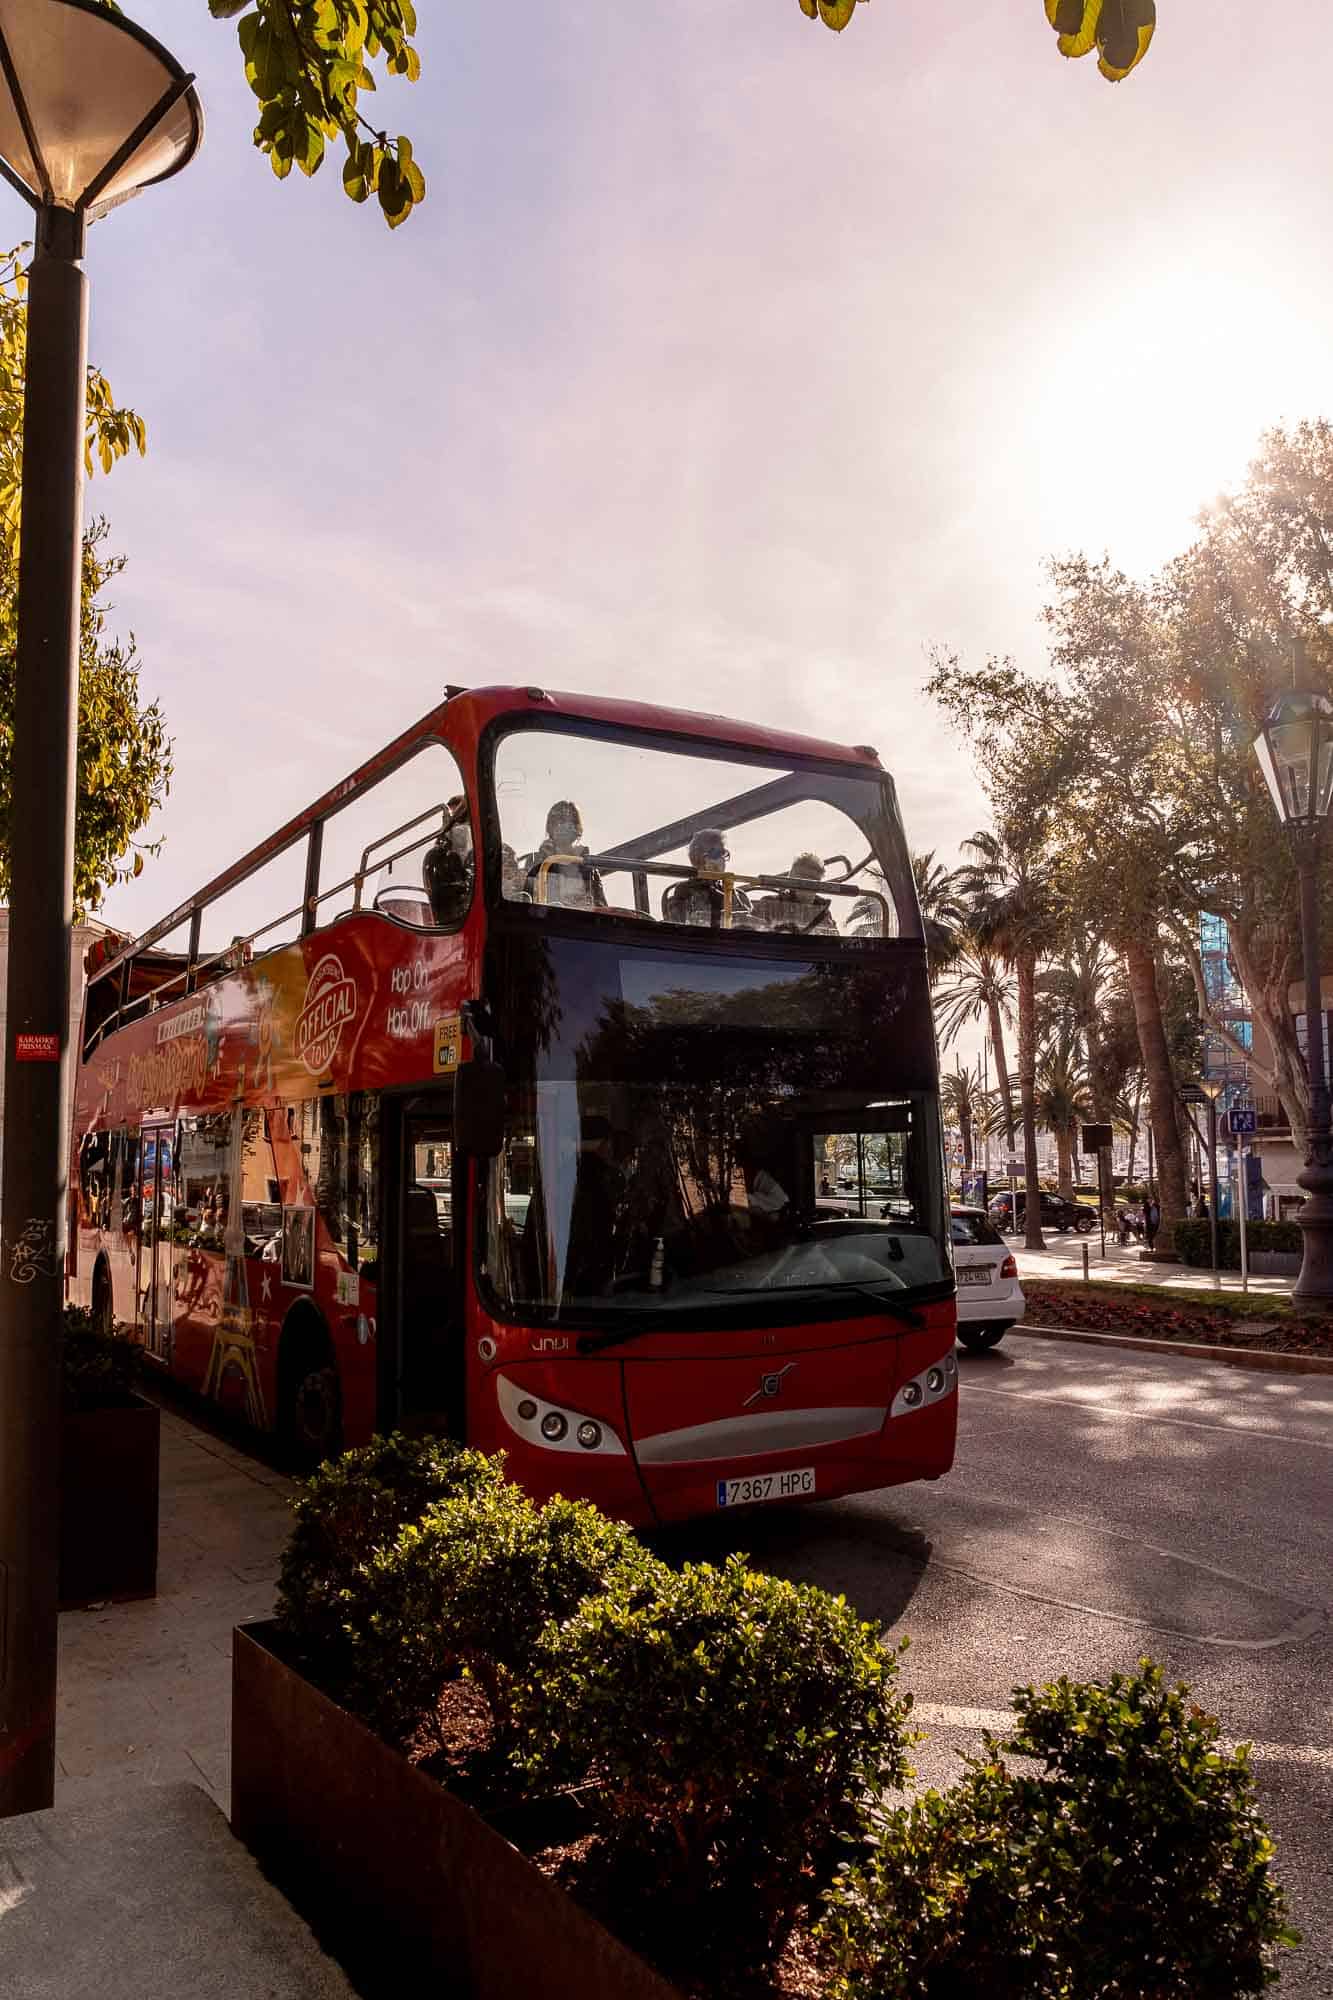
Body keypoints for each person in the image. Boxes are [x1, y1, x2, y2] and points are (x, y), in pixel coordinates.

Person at [661, 829, 755, 929]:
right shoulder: (685, 891)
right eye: (716, 854)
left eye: (724, 853)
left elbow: (756, 926)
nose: (722, 859)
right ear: (698, 858)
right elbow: (681, 927)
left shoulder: (739, 895)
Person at [524, 800, 607, 910]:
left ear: (578, 829)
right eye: (561, 821)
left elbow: (601, 907)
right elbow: (526, 901)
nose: (566, 826)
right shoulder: (536, 861)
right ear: (550, 827)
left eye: (572, 822)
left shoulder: (588, 868)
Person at [752, 852, 838, 935]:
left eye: (812, 878)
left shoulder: (823, 912)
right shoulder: (769, 905)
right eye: (801, 876)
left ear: (819, 882)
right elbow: (752, 934)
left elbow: (834, 943)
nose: (806, 882)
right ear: (791, 877)